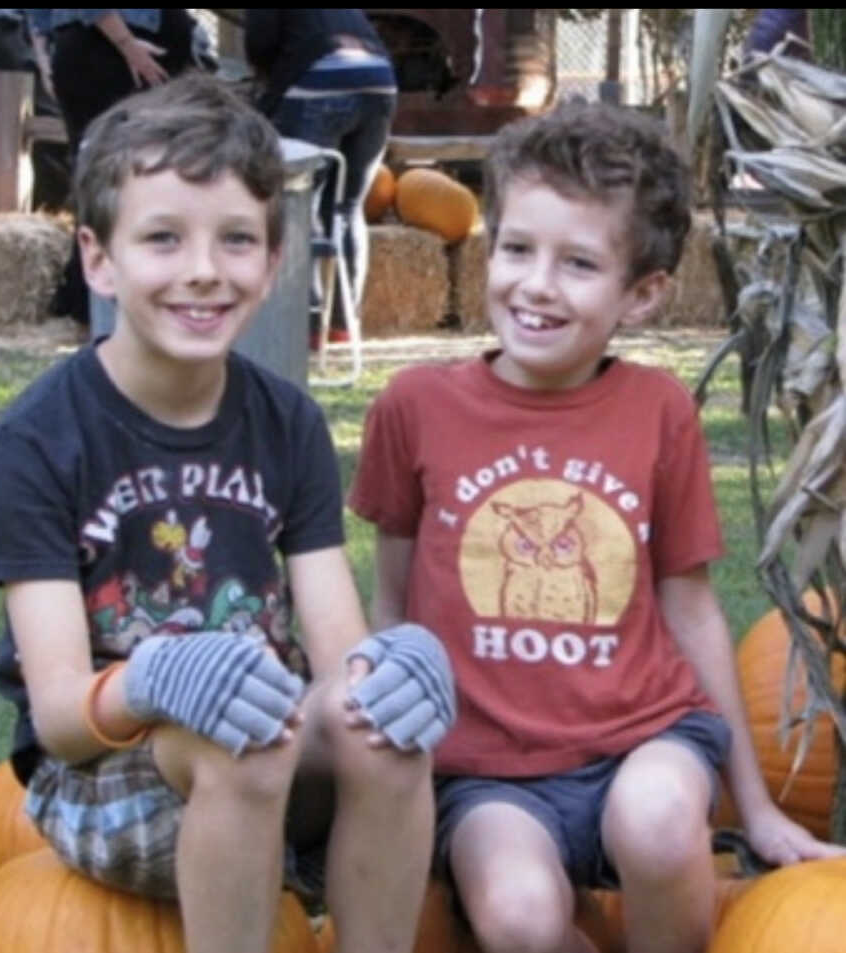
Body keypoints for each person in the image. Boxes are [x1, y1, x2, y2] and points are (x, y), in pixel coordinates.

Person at [0, 73, 455, 953]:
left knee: (379, 728)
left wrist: (396, 664)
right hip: (103, 781)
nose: (203, 269)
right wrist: (151, 680)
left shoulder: (286, 422)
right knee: (244, 741)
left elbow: (339, 657)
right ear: (98, 258)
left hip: (270, 751)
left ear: (272, 263)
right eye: (163, 238)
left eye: (236, 240)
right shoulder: (35, 444)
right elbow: (63, 720)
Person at [348, 101, 845, 953]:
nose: (537, 284)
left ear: (644, 294)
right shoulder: (415, 408)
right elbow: (392, 605)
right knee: (520, 920)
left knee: (655, 823)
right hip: (486, 771)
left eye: (579, 262)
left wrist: (756, 808)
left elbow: (689, 608)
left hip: (644, 737)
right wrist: (393, 778)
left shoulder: (657, 414)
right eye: (517, 249)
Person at [26, 9, 211, 328]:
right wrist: (128, 47)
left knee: (110, 177)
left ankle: (92, 297)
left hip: (110, 51)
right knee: (123, 180)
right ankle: (102, 299)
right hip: (114, 54)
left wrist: (44, 53)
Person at [244, 9, 397, 349]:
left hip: (318, 79)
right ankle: (342, 322)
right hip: (379, 78)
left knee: (298, 203)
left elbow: (260, 42)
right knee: (346, 207)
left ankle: (307, 322)